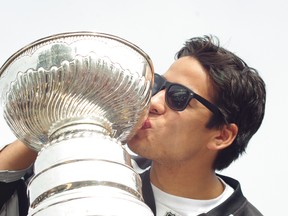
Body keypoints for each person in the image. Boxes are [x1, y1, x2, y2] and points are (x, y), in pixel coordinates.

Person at [0, 35, 266, 216]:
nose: (154, 101)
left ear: (221, 135)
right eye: (158, 86)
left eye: (178, 97)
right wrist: (57, 121)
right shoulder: (96, 167)